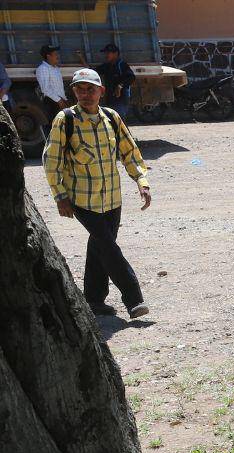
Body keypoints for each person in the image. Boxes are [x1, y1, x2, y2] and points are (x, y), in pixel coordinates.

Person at [43, 68, 152, 320]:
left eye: (90, 89)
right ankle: (134, 299)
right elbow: (51, 160)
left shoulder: (112, 118)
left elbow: (129, 152)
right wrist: (60, 196)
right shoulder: (65, 119)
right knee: (108, 246)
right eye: (79, 89)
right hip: (81, 200)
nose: (85, 94)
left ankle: (93, 300)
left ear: (101, 92)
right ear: (74, 92)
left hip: (112, 199)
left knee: (99, 246)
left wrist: (141, 181)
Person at [95, 43, 136, 118]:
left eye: (108, 53)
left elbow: (131, 77)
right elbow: (93, 71)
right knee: (112, 120)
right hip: (110, 98)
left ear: (116, 54)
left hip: (121, 98)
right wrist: (81, 58)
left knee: (119, 119)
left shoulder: (121, 65)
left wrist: (120, 86)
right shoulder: (107, 66)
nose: (106, 55)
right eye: (105, 53)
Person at [37, 45, 69, 122]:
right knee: (55, 126)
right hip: (52, 103)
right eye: (55, 54)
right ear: (48, 56)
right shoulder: (43, 69)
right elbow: (46, 89)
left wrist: (64, 99)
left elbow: (59, 87)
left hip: (59, 102)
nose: (58, 56)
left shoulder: (55, 68)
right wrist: (59, 101)